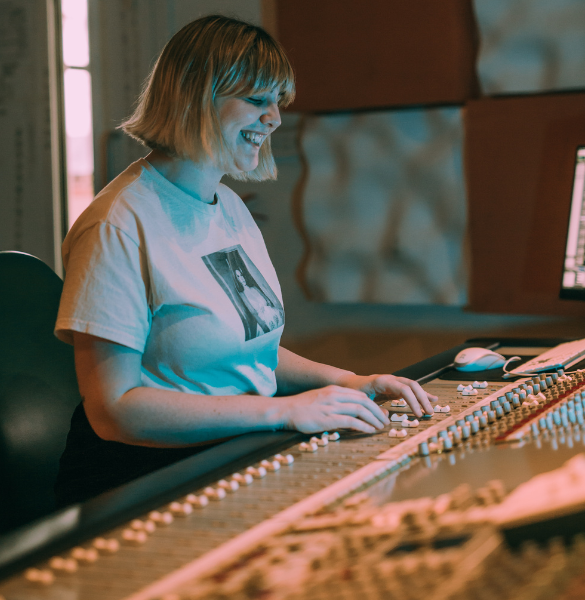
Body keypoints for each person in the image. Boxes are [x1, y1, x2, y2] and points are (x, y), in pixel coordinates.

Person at [54, 15, 436, 506]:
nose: (274, 117)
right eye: (257, 100)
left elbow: (244, 350)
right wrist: (284, 411)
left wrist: (349, 383)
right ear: (195, 97)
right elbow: (114, 409)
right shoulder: (116, 225)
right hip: (143, 477)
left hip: (232, 450)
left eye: (278, 102)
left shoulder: (227, 204)